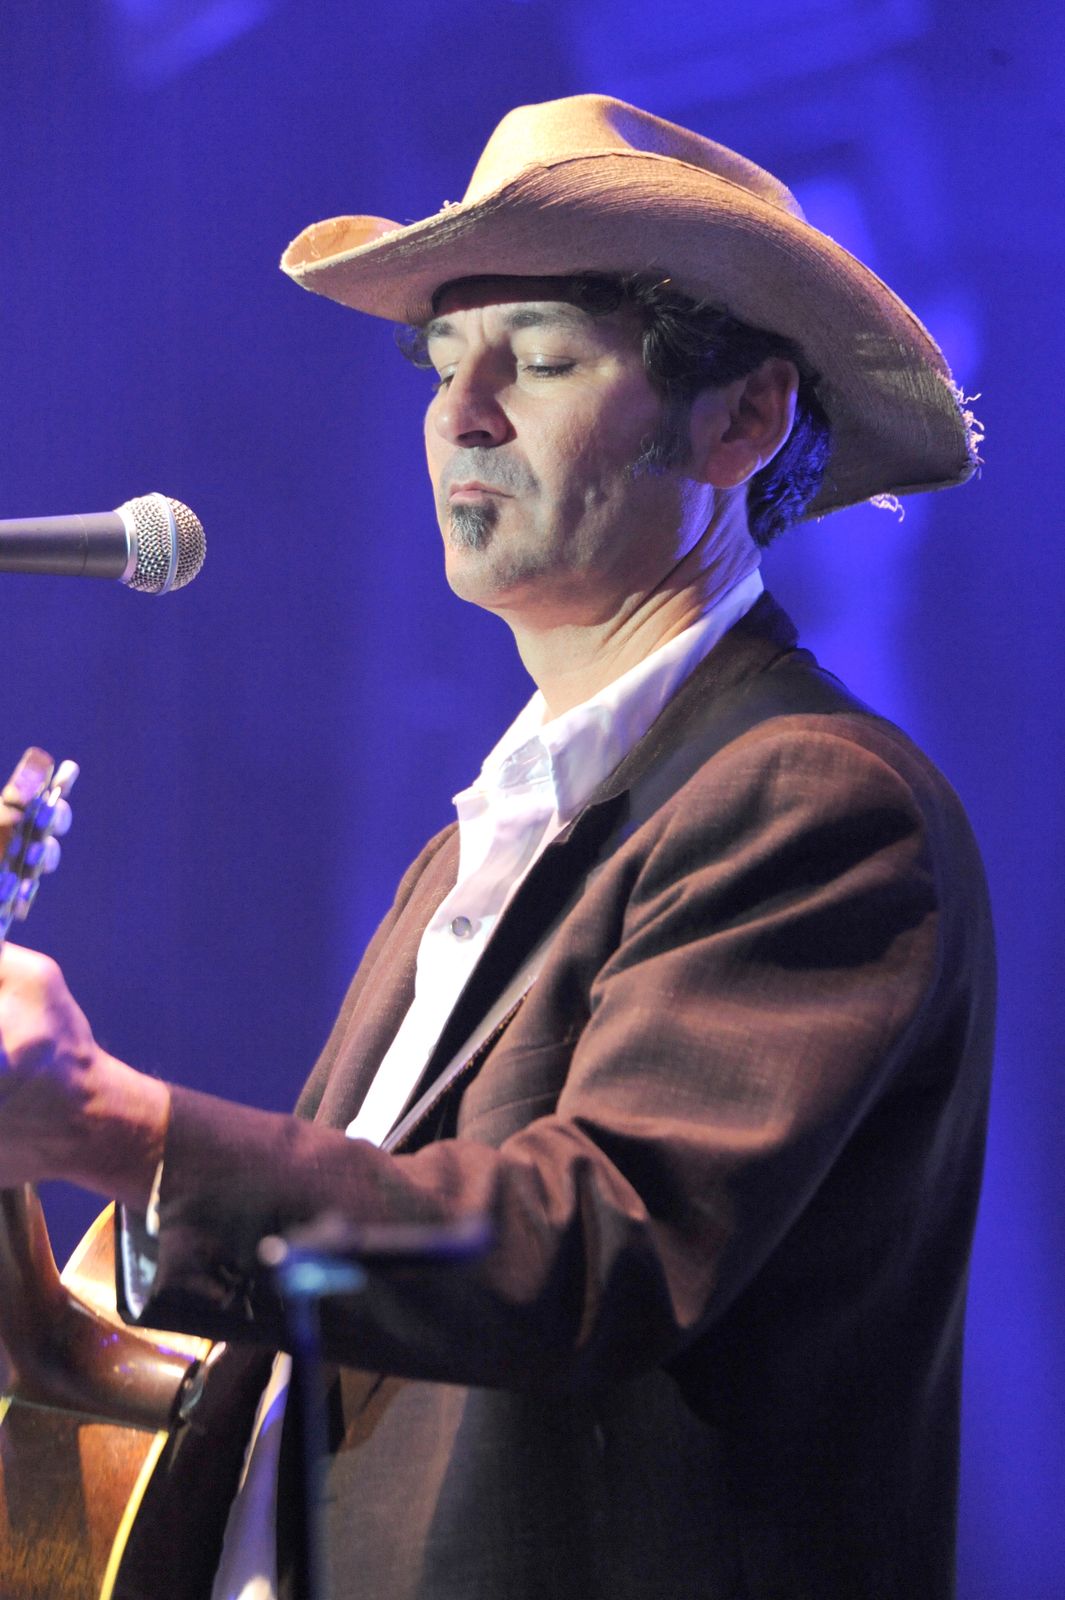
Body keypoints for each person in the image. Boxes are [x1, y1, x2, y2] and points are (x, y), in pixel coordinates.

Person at [0, 95, 993, 1600]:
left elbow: (594, 1251)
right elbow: (337, 1302)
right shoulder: (483, 843)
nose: (462, 413)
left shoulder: (813, 797)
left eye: (536, 360)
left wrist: (113, 1124)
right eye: (443, 361)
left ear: (741, 419)